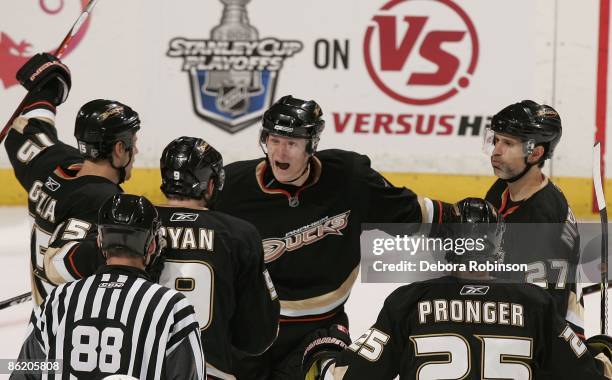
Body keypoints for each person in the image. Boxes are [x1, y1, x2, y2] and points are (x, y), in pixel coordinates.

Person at [214, 95, 461, 379]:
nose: (280, 153)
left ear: (312, 146)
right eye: (275, 140)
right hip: (248, 330)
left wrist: (462, 218)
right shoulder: (231, 187)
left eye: (292, 143)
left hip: (319, 329)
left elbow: (409, 212)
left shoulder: (349, 179)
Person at [300, 198, 612, 380]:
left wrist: (324, 354)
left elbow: (346, 377)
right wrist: (604, 353)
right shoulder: (535, 303)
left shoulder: (407, 301)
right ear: (500, 244)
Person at [11, 193, 205, 380]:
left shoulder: (58, 298)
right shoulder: (172, 306)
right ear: (152, 246)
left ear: (100, 241)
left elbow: (23, 371)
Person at [4, 53, 141, 304]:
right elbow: (64, 263)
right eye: (133, 144)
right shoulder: (105, 204)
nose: (137, 152)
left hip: (42, 320)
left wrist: (47, 91)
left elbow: (25, 131)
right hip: (73, 330)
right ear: (119, 150)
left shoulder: (50, 165)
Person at [156, 136, 280, 379]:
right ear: (210, 185)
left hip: (139, 369)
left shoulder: (135, 222)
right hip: (210, 372)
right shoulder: (238, 234)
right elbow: (259, 338)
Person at [483, 100, 583, 335]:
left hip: (549, 334)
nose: (496, 151)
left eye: (508, 143)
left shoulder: (542, 219)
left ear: (536, 152)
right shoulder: (504, 188)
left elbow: (544, 307)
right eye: (496, 140)